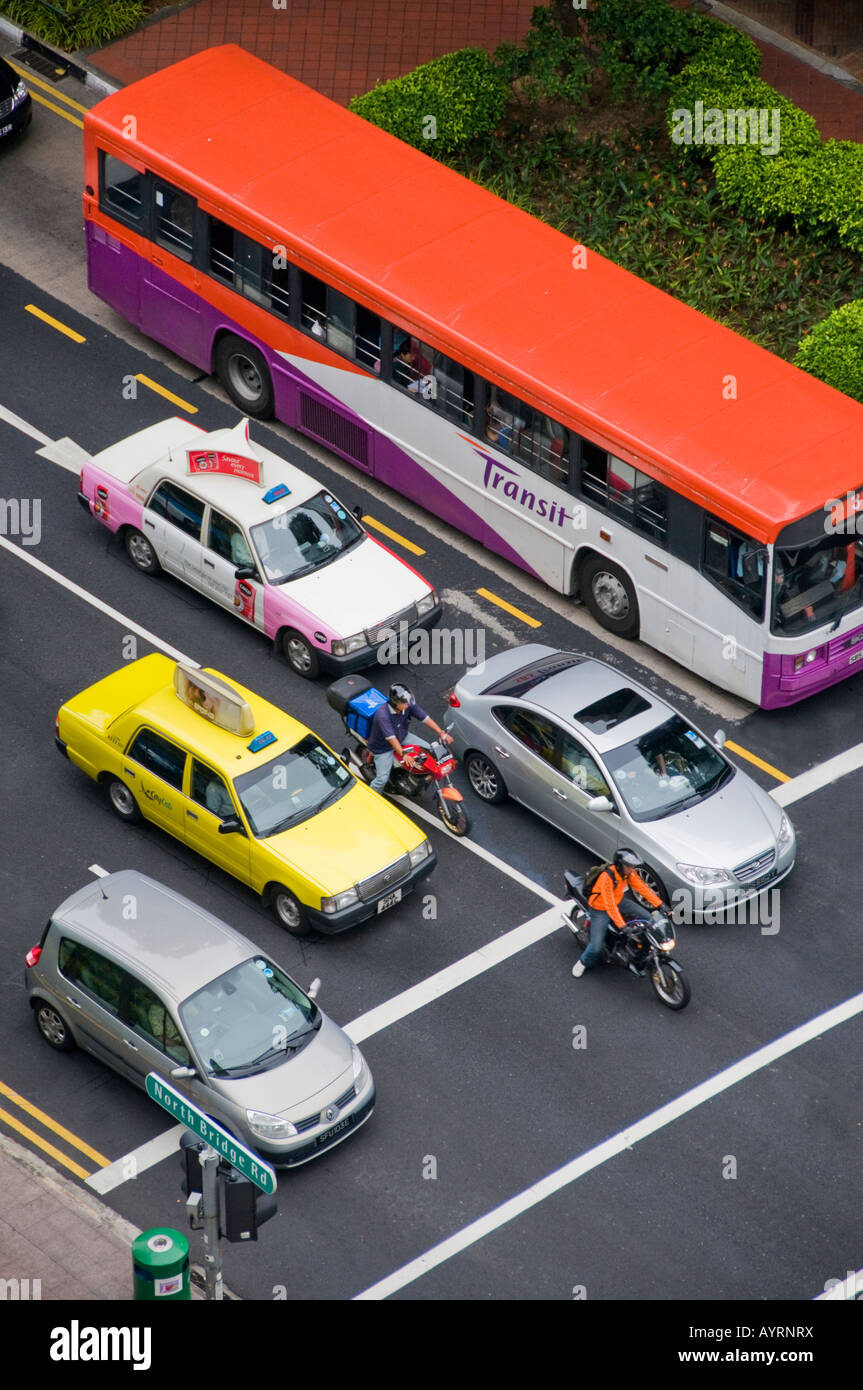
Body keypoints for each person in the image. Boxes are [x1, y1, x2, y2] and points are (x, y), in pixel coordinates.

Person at [572, 848, 664, 978]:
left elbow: (642, 888)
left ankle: (644, 947)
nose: (632, 869)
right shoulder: (607, 877)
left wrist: (660, 904)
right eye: (629, 866)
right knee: (596, 946)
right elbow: (609, 905)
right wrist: (622, 925)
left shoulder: (628, 873)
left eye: (633, 866)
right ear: (620, 864)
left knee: (648, 918)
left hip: (618, 901)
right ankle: (582, 962)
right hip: (600, 907)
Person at [367, 683, 453, 793]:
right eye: (405, 702)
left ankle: (417, 777)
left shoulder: (407, 705)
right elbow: (391, 738)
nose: (408, 703)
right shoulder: (383, 714)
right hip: (383, 747)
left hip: (402, 736)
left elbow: (424, 718)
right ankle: (372, 797)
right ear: (395, 703)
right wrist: (403, 754)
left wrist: (441, 732)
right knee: (381, 779)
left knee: (431, 751)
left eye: (408, 700)